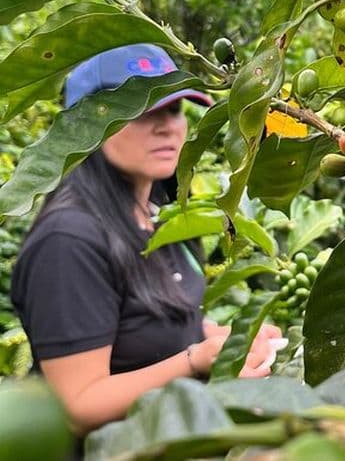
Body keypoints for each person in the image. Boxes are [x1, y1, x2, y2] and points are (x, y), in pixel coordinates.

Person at [10, 44, 284, 446]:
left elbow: (154, 324)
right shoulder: (68, 240)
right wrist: (195, 361)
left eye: (172, 109)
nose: (167, 127)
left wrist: (229, 340)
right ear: (85, 125)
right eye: (140, 110)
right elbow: (77, 406)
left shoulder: (161, 215)